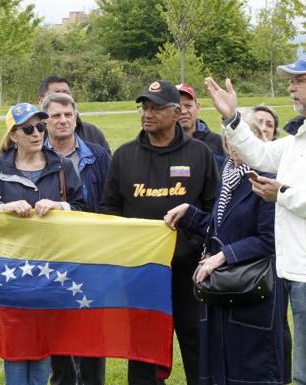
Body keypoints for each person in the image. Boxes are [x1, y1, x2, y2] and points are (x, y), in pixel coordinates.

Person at [204, 50, 306, 385]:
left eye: (299, 80)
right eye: (290, 81)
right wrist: (233, 119)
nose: (291, 88)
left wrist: (283, 194)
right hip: (304, 268)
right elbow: (262, 153)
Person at [100, 80, 219, 385]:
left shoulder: (200, 154)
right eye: (144, 107)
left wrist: (192, 246)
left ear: (177, 112)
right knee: (142, 352)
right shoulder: (124, 156)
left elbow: (215, 210)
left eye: (155, 107)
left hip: (189, 271)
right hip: (142, 272)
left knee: (197, 346)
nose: (147, 114)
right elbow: (109, 210)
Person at [164, 112, 291, 385]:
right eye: (228, 140)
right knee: (226, 366)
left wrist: (222, 256)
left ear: (256, 139)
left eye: (239, 139)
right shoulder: (229, 174)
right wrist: (190, 213)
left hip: (256, 287)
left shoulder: (266, 178)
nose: (233, 147)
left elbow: (268, 239)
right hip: (228, 287)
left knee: (252, 367)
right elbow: (221, 226)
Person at [0, 102, 85, 385]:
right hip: (10, 270)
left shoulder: (62, 166)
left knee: (42, 344)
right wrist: (5, 208)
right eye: (28, 129)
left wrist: (61, 206)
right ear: (13, 135)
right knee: (14, 345)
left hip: (52, 270)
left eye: (40, 126)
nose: (37, 133)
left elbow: (84, 209)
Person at [40, 92, 110, 385]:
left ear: (75, 117)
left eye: (68, 114)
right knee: (57, 332)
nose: (63, 120)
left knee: (92, 330)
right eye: (55, 115)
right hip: (51, 256)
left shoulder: (98, 155)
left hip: (91, 253)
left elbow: (109, 202)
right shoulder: (33, 155)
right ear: (45, 121)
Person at [38, 75, 111, 154]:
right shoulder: (33, 134)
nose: (63, 96)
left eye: (66, 93)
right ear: (41, 101)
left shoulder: (92, 133)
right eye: (57, 93)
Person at [176, 83, 226, 168]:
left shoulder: (219, 143)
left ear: (198, 107)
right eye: (178, 107)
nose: (183, 111)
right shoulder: (162, 145)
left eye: (188, 106)